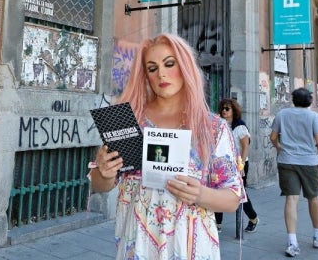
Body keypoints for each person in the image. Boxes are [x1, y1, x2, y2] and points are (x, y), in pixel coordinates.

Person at [90, 33, 246, 259]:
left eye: (169, 64)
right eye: (152, 68)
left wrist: (200, 194)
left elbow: (233, 197)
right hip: (138, 246)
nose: (161, 73)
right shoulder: (130, 119)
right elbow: (101, 184)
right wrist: (104, 171)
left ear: (184, 66)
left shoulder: (213, 127)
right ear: (146, 75)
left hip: (190, 247)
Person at [270, 87, 318, 257]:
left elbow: (273, 137)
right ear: (309, 101)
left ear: (293, 100)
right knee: (313, 198)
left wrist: (280, 148)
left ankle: (292, 242)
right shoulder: (314, 117)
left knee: (291, 199)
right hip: (309, 163)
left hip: (287, 161)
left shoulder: (282, 114)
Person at [215, 97, 260, 233]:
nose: (224, 111)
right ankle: (218, 224)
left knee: (240, 193)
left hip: (238, 164)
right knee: (218, 191)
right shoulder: (220, 125)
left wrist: (240, 166)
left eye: (227, 108)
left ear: (234, 111)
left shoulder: (239, 126)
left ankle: (253, 218)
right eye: (222, 108)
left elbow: (246, 147)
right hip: (222, 163)